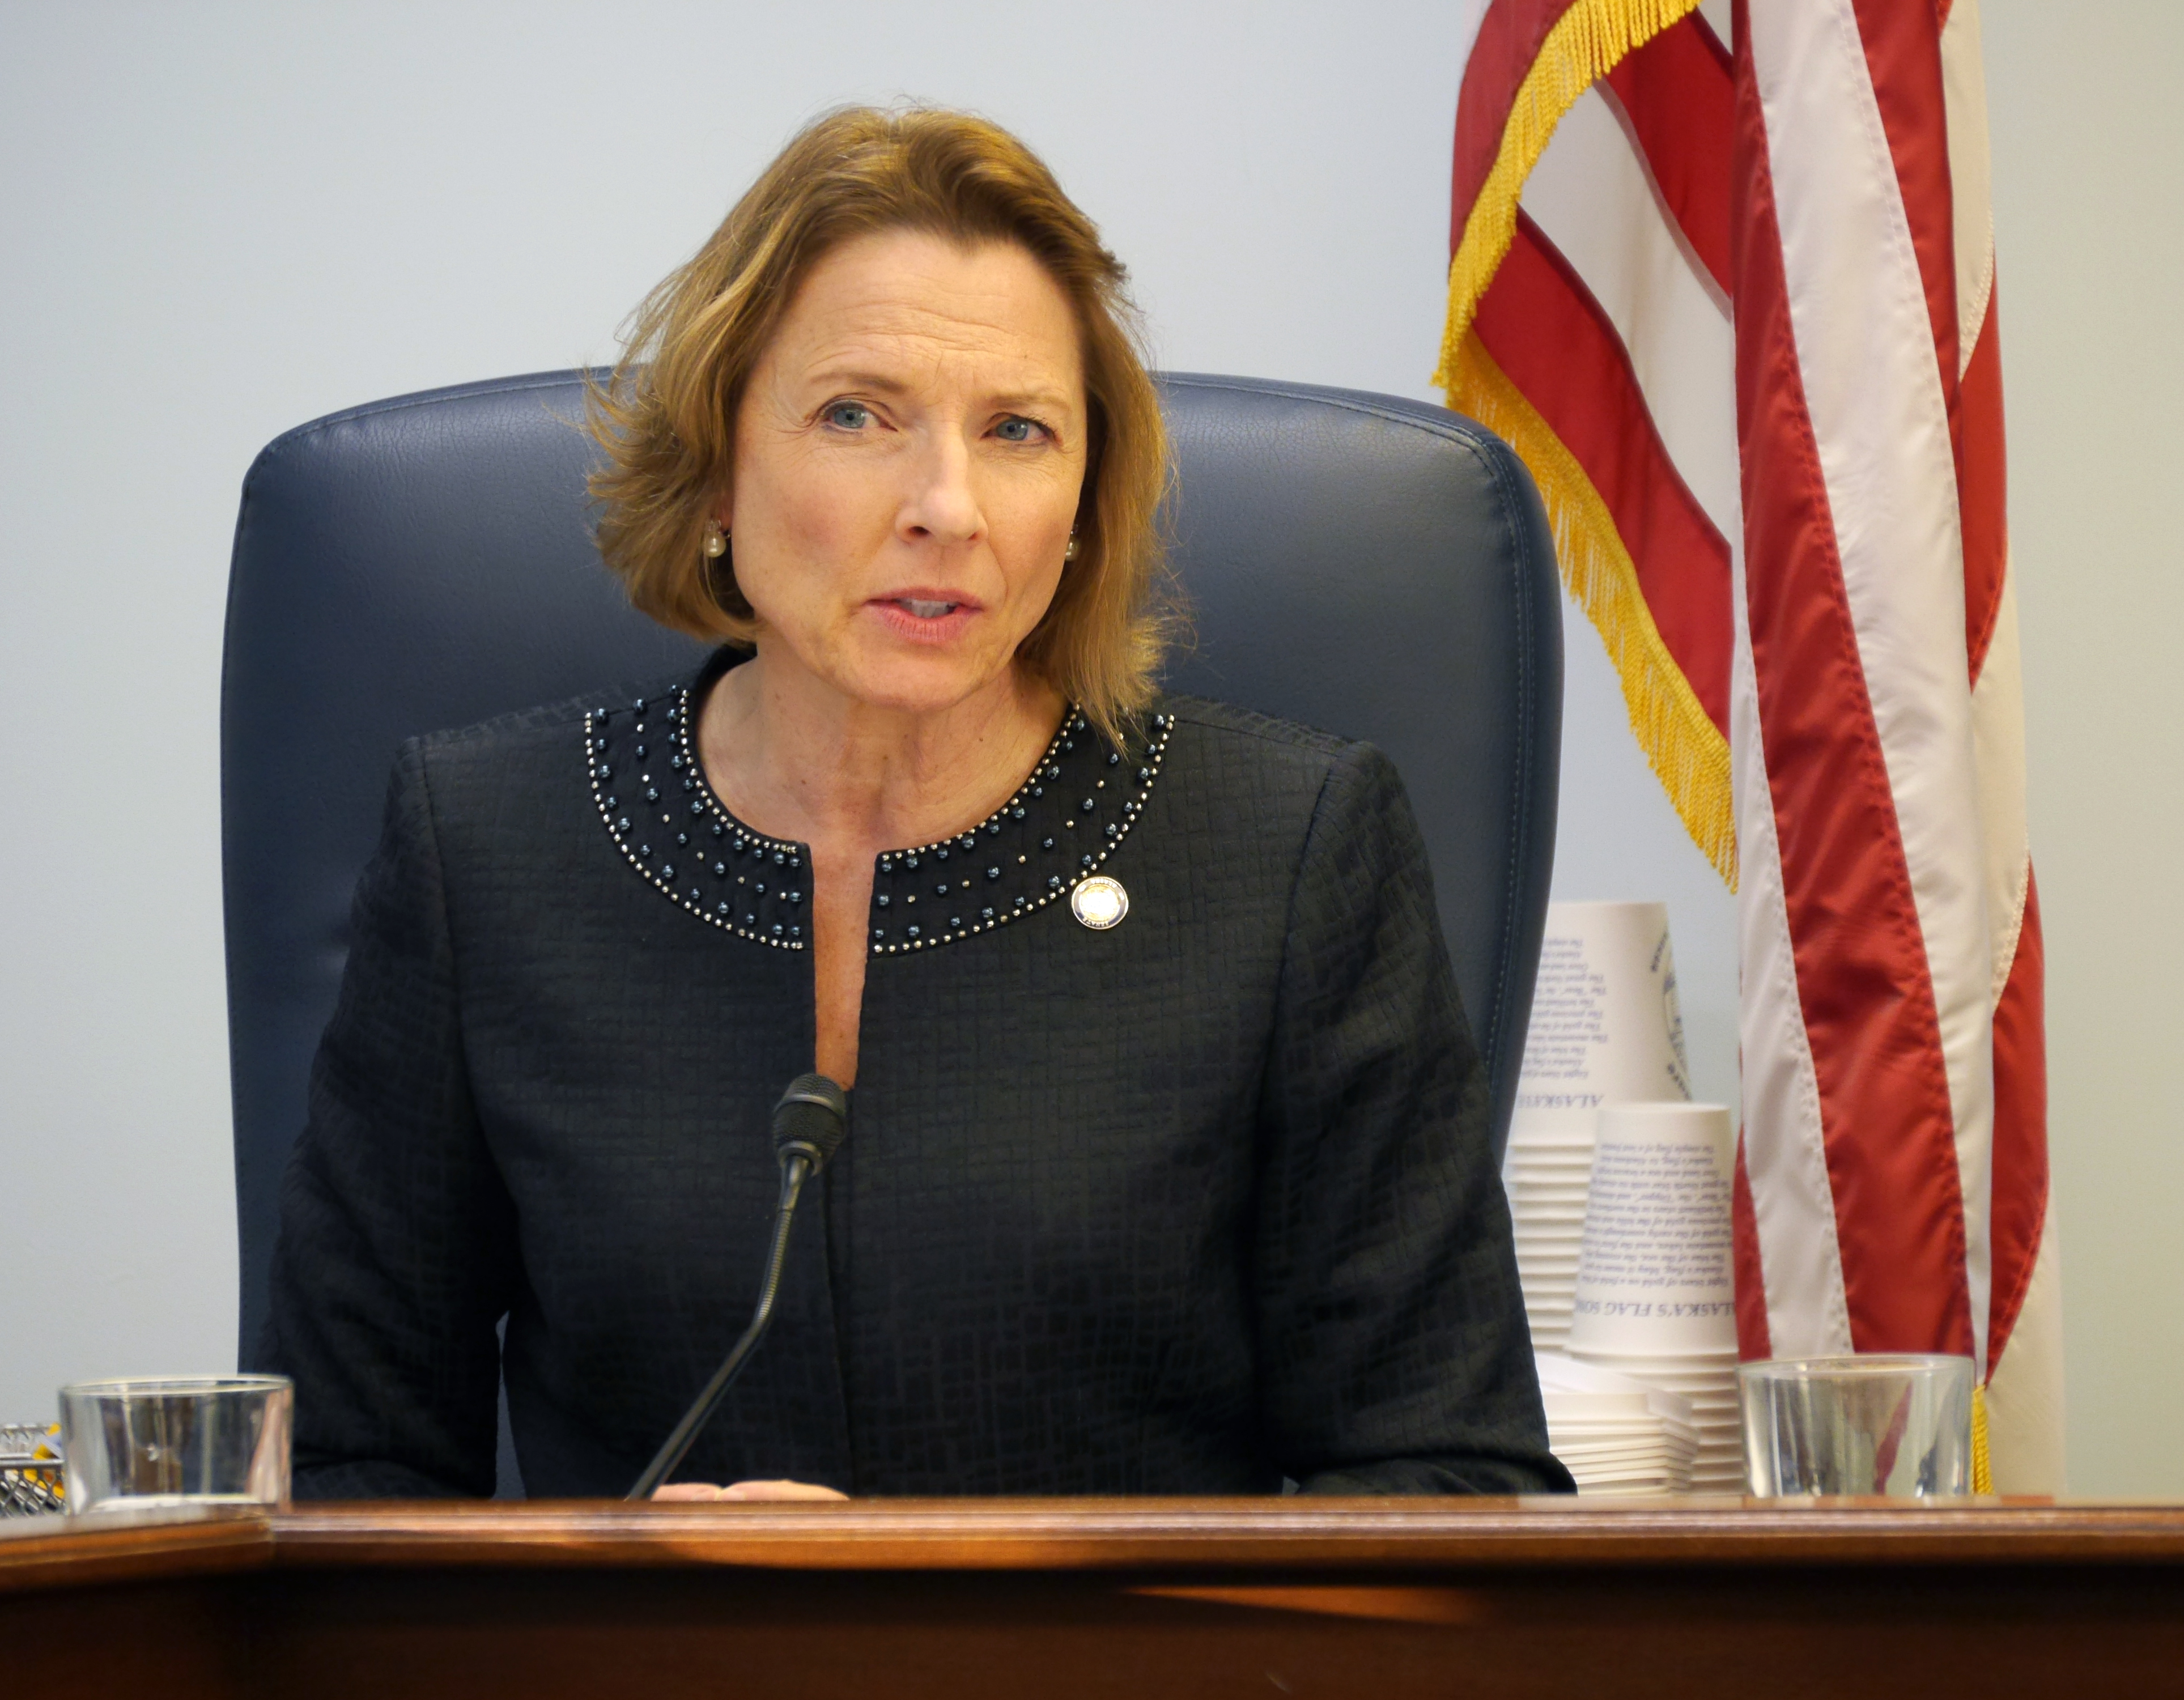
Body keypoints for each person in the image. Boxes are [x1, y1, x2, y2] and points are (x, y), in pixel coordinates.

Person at [259, 105, 1570, 1501]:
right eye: (854, 416)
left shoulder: (1290, 851)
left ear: (1078, 512)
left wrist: (967, 1616)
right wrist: (623, 1606)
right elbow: (349, 1477)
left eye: (1016, 431)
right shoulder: (490, 849)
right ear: (715, 467)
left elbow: (1447, 1489)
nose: (947, 503)